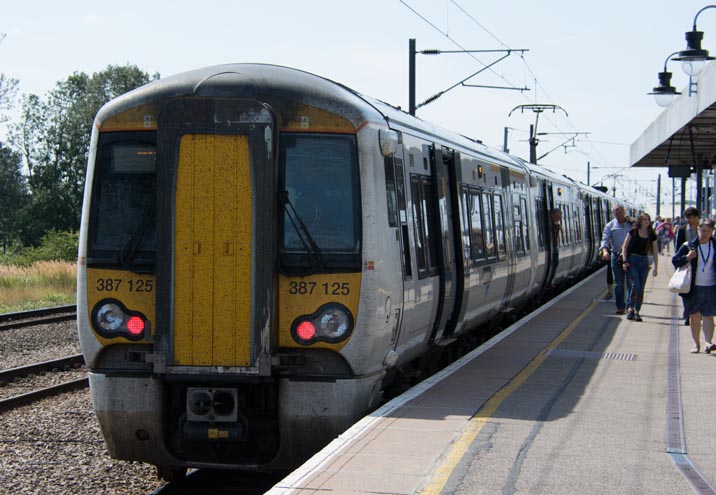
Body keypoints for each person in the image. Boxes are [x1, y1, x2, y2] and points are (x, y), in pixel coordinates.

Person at [672, 218, 716, 353]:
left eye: (708, 231)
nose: (705, 234)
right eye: (703, 231)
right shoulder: (688, 246)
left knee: (709, 315)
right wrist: (687, 257)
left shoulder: (715, 245)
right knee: (694, 315)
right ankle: (696, 344)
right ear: (698, 230)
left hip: (711, 286)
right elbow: (675, 261)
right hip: (692, 287)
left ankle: (708, 342)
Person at [621, 213, 658, 321]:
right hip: (633, 261)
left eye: (648, 219)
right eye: (644, 219)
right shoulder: (633, 232)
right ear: (640, 221)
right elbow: (625, 247)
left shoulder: (652, 234)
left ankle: (637, 311)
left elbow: (655, 251)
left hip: (644, 262)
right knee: (635, 285)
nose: (647, 221)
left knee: (641, 287)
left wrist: (656, 267)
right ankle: (630, 308)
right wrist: (625, 260)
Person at [600, 205, 633, 314]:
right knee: (618, 283)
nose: (619, 215)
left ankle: (630, 306)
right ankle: (620, 307)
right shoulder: (610, 226)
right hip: (617, 256)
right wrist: (605, 251)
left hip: (630, 256)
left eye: (620, 212)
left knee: (630, 283)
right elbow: (605, 240)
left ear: (624, 211)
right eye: (616, 213)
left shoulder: (631, 224)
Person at [675, 207, 700, 324]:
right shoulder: (682, 230)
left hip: (700, 264)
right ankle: (687, 314)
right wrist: (678, 264)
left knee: (698, 290)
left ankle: (694, 313)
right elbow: (678, 248)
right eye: (687, 218)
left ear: (696, 218)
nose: (688, 220)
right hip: (687, 263)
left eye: (690, 217)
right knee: (685, 290)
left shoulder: (702, 229)